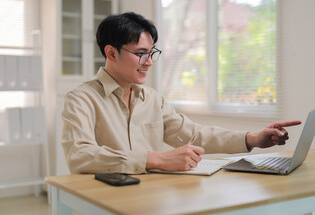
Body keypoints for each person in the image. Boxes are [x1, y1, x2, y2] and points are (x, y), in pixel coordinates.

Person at [61, 12, 301, 174]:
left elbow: (194, 134)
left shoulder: (152, 99)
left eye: (152, 53)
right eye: (140, 53)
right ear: (111, 53)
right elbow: (80, 155)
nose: (149, 62)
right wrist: (155, 159)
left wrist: (253, 139)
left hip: (151, 199)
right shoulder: (81, 99)